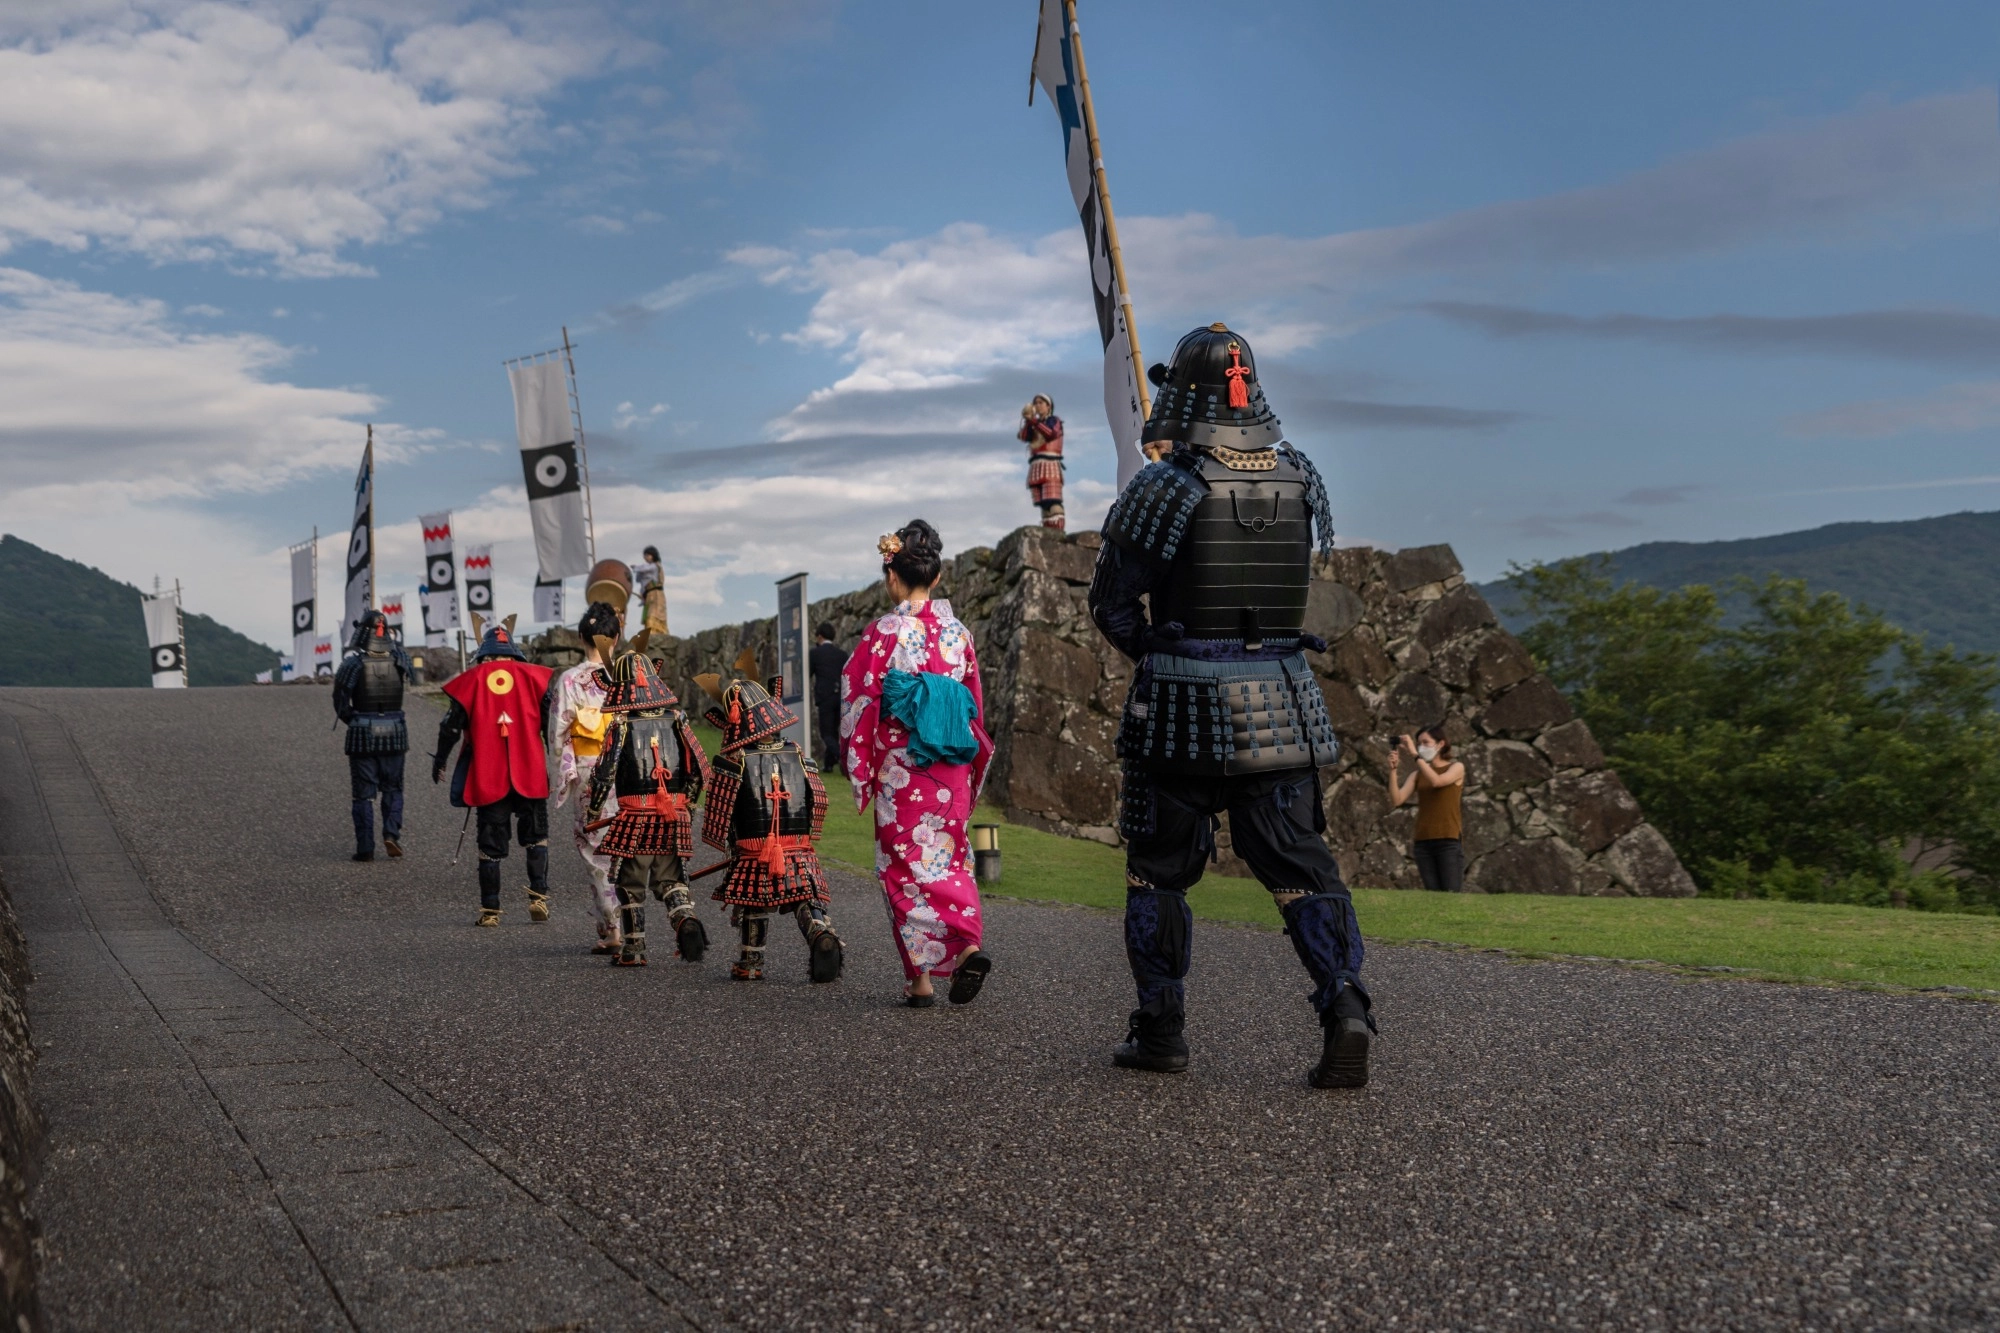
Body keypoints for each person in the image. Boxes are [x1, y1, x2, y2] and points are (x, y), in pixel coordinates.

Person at [1087, 322, 1374, 1088]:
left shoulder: (1164, 485)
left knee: (1158, 874)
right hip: (1282, 703)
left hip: (1180, 709)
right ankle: (1344, 1004)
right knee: (1304, 871)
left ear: (1183, 386)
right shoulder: (1301, 475)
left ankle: (1162, 1030)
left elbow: (1111, 606)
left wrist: (1157, 649)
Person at [840, 520, 994, 1007]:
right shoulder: (959, 633)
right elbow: (972, 704)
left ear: (892, 575)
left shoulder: (884, 632)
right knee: (950, 857)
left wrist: (860, 768)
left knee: (903, 867)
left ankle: (920, 980)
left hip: (902, 768)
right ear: (939, 575)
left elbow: (859, 698)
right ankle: (967, 945)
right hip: (949, 765)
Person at [695, 673, 843, 982]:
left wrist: (732, 846)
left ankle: (751, 963)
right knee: (804, 896)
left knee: (754, 900)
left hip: (755, 850)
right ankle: (819, 932)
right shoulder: (798, 753)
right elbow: (819, 800)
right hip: (798, 847)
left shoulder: (735, 760)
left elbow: (718, 820)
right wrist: (805, 837)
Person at [588, 636, 709, 967]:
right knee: (671, 878)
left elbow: (604, 773)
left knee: (629, 881)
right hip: (674, 813)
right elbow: (698, 766)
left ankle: (634, 949)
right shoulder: (678, 719)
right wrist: (691, 804)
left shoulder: (622, 724)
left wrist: (593, 808)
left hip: (636, 816)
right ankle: (684, 918)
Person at [433, 614, 556, 928]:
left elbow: (450, 727)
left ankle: (490, 911)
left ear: (484, 653)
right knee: (536, 837)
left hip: (489, 775)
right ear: (514, 653)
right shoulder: (535, 678)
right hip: (529, 770)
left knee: (490, 845)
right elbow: (551, 725)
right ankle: (538, 898)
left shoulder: (472, 680)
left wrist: (441, 760)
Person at [550, 601, 623, 952]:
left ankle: (613, 927)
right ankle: (631, 925)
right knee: (628, 846)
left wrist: (563, 767)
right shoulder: (628, 677)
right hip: (629, 768)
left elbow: (560, 731)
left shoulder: (570, 680)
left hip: (589, 765)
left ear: (581, 637)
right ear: (617, 636)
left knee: (594, 846)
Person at [332, 608, 415, 862]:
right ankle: (391, 834)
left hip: (362, 734)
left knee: (363, 794)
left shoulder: (352, 663)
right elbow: (413, 681)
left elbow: (340, 700)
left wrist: (354, 719)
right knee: (393, 788)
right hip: (395, 732)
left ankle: (365, 847)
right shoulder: (401, 658)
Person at [1388, 725, 1466, 892]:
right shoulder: (1417, 775)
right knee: (1433, 896)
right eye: (1418, 743)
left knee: (1451, 893)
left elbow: (1437, 781)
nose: (1421, 746)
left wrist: (1414, 755)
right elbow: (1397, 799)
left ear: (1440, 744)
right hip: (1423, 842)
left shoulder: (1456, 767)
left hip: (1448, 840)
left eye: (1426, 742)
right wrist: (1393, 771)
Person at [1018, 395, 1066, 531]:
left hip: (1050, 464)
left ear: (1048, 406)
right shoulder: (1033, 425)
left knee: (1053, 502)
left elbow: (1051, 433)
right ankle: (1048, 532)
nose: (1037, 405)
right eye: (1035, 403)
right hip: (1036, 466)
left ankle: (1058, 533)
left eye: (1040, 402)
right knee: (1043, 504)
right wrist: (1028, 421)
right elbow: (1023, 436)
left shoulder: (1054, 421)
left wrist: (1033, 421)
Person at [809, 622, 847, 772]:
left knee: (826, 733)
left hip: (825, 697)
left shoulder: (815, 654)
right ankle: (828, 765)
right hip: (841, 696)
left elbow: (808, 673)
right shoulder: (842, 654)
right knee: (834, 731)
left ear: (819, 636)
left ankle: (843, 760)